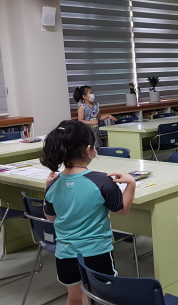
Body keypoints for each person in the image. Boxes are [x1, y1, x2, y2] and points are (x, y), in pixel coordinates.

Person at [41, 120, 136, 305]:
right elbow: (122, 210)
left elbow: (50, 217)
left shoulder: (53, 184)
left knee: (74, 297)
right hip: (96, 253)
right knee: (95, 298)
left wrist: (47, 188)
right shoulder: (102, 181)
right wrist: (130, 183)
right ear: (88, 150)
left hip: (65, 253)